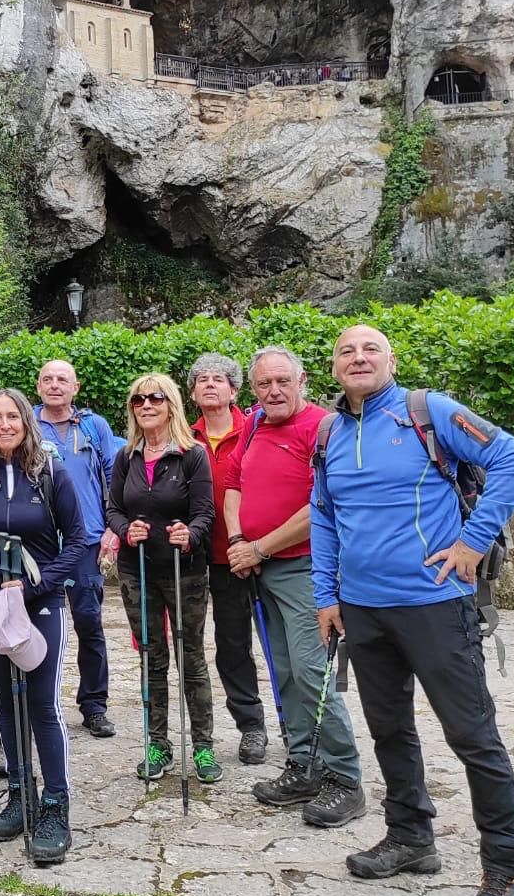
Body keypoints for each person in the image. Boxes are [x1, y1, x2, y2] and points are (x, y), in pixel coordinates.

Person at [313, 325, 514, 896]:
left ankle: (508, 865)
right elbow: (325, 517)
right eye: (346, 351)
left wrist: (473, 538)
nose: (358, 358)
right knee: (389, 730)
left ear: (391, 360)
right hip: (363, 610)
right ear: (333, 367)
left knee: (473, 737)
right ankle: (410, 838)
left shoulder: (427, 411)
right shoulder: (331, 432)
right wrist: (326, 597)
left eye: (370, 350)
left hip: (435, 604)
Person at [222, 345, 366, 828]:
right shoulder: (255, 424)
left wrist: (259, 547)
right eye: (264, 384)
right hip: (262, 569)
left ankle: (345, 778)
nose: (274, 391)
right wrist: (241, 540)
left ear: (302, 379)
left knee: (312, 673)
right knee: (285, 674)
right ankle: (304, 765)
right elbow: (235, 486)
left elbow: (321, 507)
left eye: (282, 381)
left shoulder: (322, 427)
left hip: (305, 569)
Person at [0, 387, 87, 865]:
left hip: (40, 601)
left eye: (12, 417)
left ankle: (55, 804)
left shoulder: (51, 473)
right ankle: (19, 792)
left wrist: (36, 586)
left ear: (26, 422)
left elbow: (79, 540)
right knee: (6, 707)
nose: (4, 424)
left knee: (43, 704)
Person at [106, 373, 220, 783]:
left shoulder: (193, 454)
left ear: (171, 404)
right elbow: (114, 508)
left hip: (183, 569)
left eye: (156, 398)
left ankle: (203, 747)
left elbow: (205, 511)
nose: (147, 405)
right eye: (139, 399)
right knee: (151, 658)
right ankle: (158, 744)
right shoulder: (127, 456)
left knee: (190, 658)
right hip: (138, 570)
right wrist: (124, 531)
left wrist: (189, 534)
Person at [188, 352, 270, 764]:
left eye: (218, 379)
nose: (209, 384)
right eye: (201, 379)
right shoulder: (186, 438)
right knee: (231, 645)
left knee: (284, 645)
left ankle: (298, 724)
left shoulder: (258, 429)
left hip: (264, 552)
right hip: (214, 559)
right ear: (192, 393)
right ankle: (251, 726)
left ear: (235, 390)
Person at [33, 359, 120, 738]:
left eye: (63, 380)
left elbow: (115, 477)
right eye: (48, 379)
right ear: (38, 387)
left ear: (76, 387)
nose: (55, 385)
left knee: (89, 623)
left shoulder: (94, 426)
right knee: (31, 626)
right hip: (39, 543)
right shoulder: (26, 423)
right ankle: (30, 703)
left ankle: (94, 704)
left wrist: (113, 529)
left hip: (85, 540)